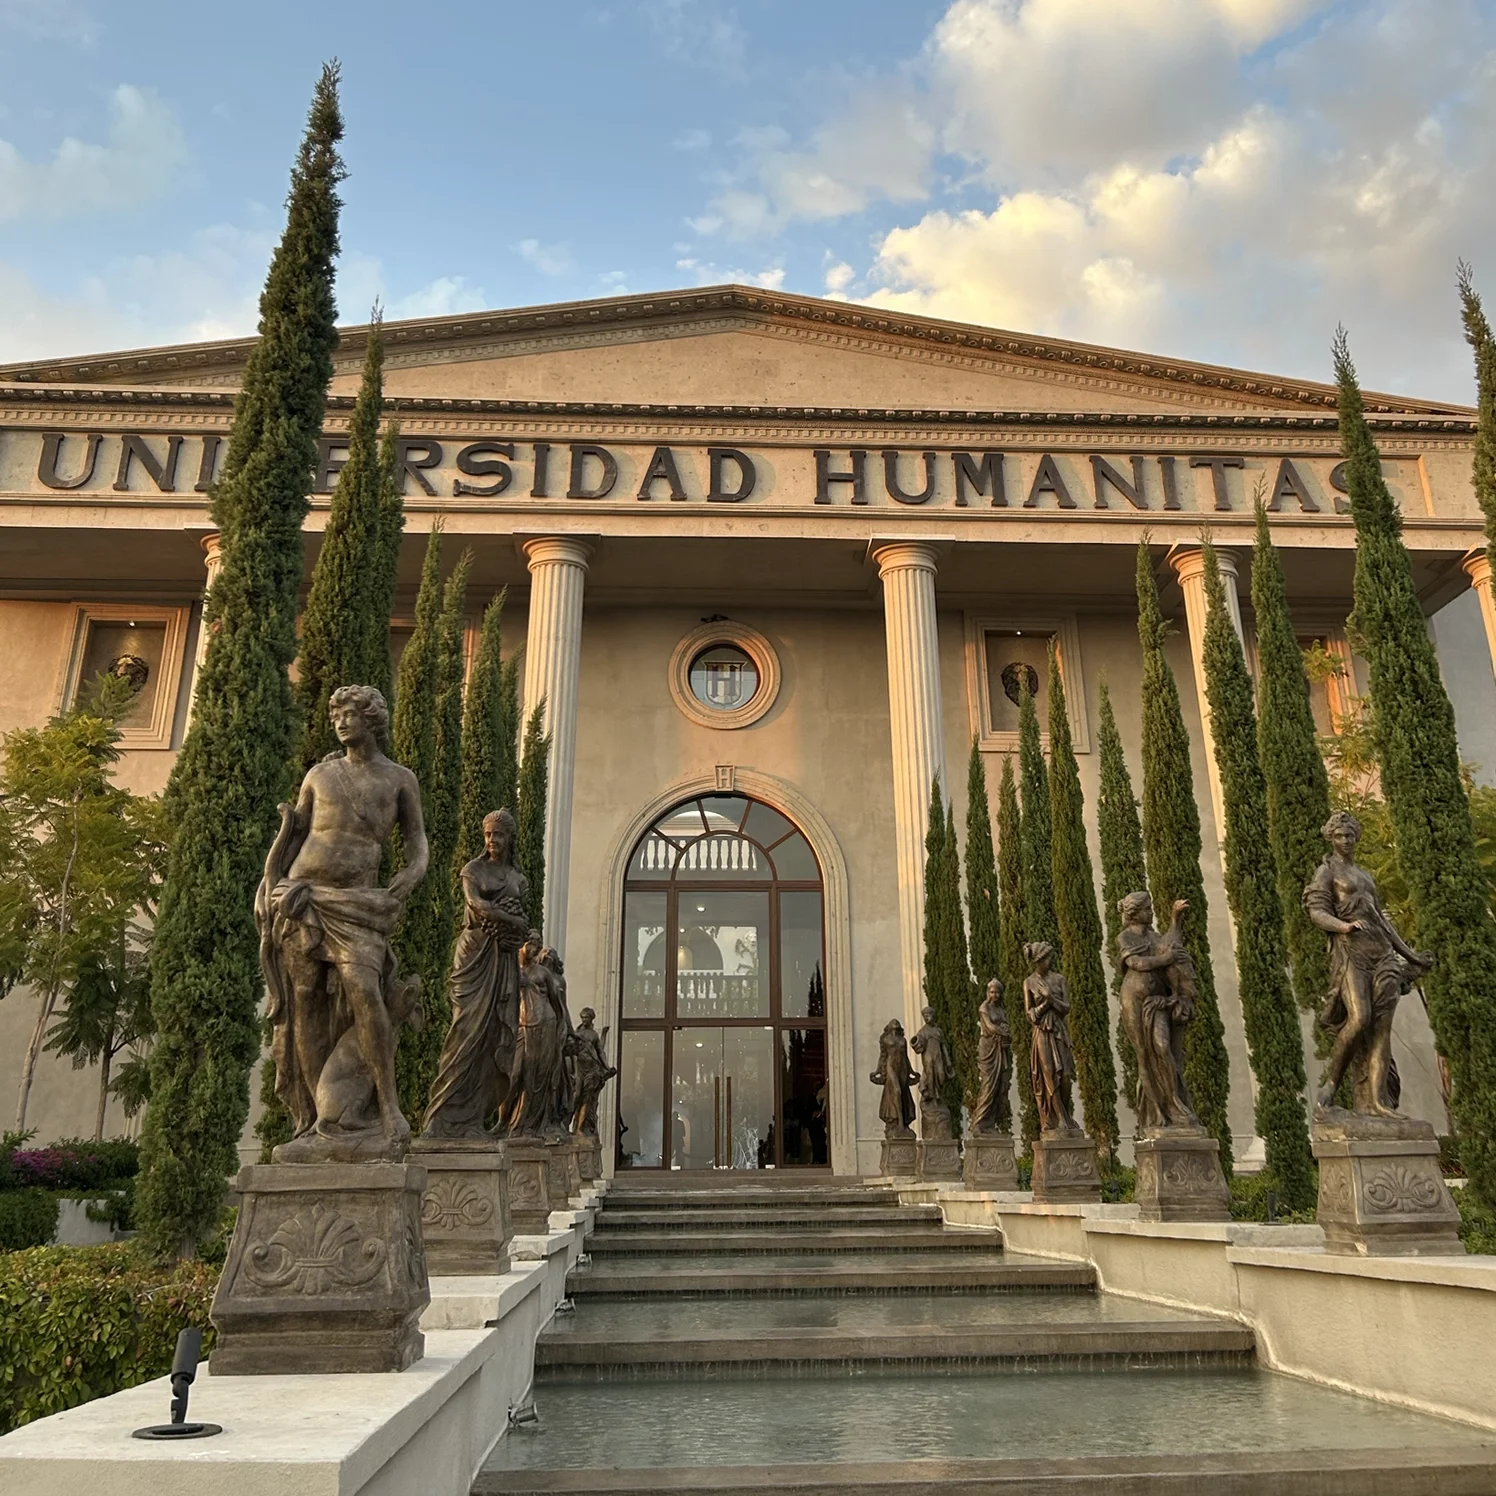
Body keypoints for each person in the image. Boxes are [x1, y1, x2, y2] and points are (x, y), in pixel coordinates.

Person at [257, 685, 427, 1161]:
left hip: (359, 903)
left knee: (365, 991)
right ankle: (317, 1121)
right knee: (305, 1001)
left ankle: (389, 1108)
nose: (340, 722)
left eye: (350, 714)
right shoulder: (319, 775)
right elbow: (294, 836)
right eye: (336, 716)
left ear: (371, 719)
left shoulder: (399, 779)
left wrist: (412, 874)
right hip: (302, 897)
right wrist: (273, 885)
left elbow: (417, 842)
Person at [1305, 810, 1432, 1115]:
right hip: (1352, 954)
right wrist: (1343, 926)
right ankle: (1331, 1083)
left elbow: (1383, 924)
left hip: (1382, 954)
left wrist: (1412, 956)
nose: (1345, 841)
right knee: (1360, 1018)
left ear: (1356, 837)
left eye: (1350, 835)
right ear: (1331, 838)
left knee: (1381, 1029)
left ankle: (1378, 1101)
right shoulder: (1326, 872)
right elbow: (1316, 912)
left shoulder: (1365, 876)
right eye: (1339, 836)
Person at [422, 809, 530, 1139]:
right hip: (475, 952)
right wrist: (511, 920)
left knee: (495, 1032)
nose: (492, 840)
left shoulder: (519, 879)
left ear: (510, 838)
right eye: (487, 834)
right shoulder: (473, 870)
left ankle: (472, 1119)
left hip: (504, 957)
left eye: (498, 834)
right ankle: (443, 1117)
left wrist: (515, 927)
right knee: (465, 1029)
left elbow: (523, 922)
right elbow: (476, 905)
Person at [1116, 892, 1200, 1132]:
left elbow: (1169, 944)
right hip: (1133, 999)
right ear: (1135, 913)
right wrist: (1167, 958)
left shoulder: (1154, 937)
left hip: (1156, 1000)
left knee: (1163, 1048)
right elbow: (1137, 964)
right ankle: (1156, 1113)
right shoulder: (1124, 937)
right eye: (1147, 909)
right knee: (1144, 1053)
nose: (1151, 913)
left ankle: (1174, 1105)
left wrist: (1175, 919)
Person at [498, 932, 571, 1139]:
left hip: (545, 1024)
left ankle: (528, 1124)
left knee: (536, 1076)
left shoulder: (543, 973)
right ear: (521, 945)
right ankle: (503, 1122)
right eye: (531, 944)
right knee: (513, 1075)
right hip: (521, 1026)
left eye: (538, 945)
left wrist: (561, 1032)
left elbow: (558, 1005)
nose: (535, 949)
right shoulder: (511, 969)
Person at [1023, 941, 1078, 1135]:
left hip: (1059, 1030)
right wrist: (1046, 1003)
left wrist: (1050, 998)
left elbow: (1066, 1008)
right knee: (1048, 1075)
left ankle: (1066, 1115)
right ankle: (1059, 1119)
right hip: (1041, 1033)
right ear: (1038, 961)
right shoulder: (1029, 982)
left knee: (1066, 1076)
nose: (1050, 961)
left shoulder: (1059, 979)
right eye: (1047, 958)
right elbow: (1030, 1015)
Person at [971, 978, 1012, 1134]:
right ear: (988, 993)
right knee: (988, 1085)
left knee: (999, 1087)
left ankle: (989, 1124)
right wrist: (1003, 1032)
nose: (995, 995)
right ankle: (978, 1122)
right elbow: (989, 1026)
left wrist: (1006, 1030)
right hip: (988, 1048)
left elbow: (1005, 1025)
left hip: (1000, 1049)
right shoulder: (984, 1007)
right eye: (992, 992)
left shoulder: (1002, 1010)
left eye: (997, 992)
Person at [569, 1008, 617, 1140]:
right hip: (580, 1069)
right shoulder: (577, 1033)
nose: (584, 1020)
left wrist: (607, 1067)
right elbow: (571, 1051)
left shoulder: (594, 1035)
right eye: (583, 1018)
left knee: (587, 1099)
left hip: (592, 1069)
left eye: (586, 1018)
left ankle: (579, 1129)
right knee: (576, 1096)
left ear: (591, 1018)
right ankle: (567, 1124)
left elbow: (600, 1051)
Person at [911, 1005, 955, 1139]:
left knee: (941, 1076)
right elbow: (917, 1045)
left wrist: (948, 1063)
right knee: (930, 1076)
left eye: (929, 1015)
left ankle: (938, 1097)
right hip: (928, 1057)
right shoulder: (923, 1031)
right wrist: (916, 1042)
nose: (927, 1018)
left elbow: (943, 1046)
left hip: (938, 1057)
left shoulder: (938, 1031)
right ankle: (931, 1098)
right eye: (925, 1016)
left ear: (933, 1016)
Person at [871, 1018, 918, 1138]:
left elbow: (906, 1057)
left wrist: (912, 1071)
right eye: (893, 1025)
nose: (896, 1025)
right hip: (891, 1065)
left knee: (903, 1093)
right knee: (897, 1090)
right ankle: (900, 1123)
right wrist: (877, 1071)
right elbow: (883, 1056)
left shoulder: (903, 1040)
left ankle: (903, 1124)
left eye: (897, 1025)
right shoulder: (886, 1040)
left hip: (902, 1067)